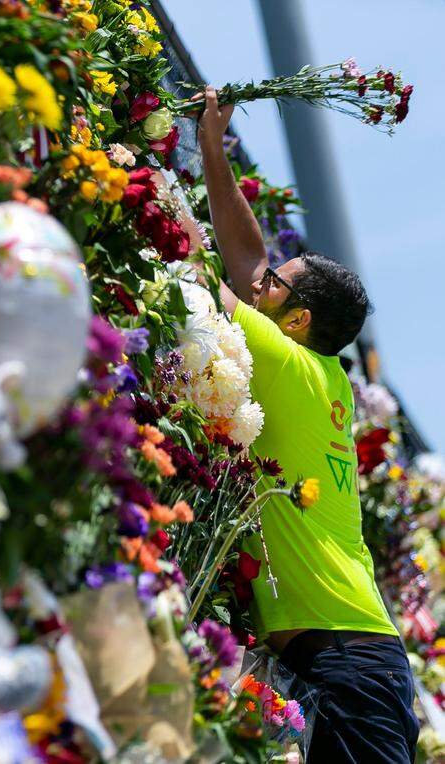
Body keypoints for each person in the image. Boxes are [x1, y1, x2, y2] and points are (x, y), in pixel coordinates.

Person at [197, 87, 419, 762]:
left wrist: (181, 194)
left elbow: (204, 276)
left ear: (295, 322)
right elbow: (249, 263)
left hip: (350, 661)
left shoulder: (289, 368)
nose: (259, 284)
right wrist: (211, 151)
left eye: (273, 287)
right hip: (351, 652)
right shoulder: (321, 376)